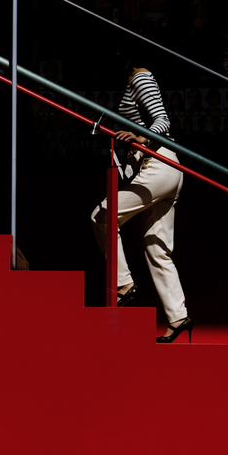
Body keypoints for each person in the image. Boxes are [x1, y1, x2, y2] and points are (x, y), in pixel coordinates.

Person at [90, 66, 192, 342]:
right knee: (156, 247)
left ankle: (124, 283)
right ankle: (178, 316)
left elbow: (162, 120)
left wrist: (141, 138)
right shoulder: (133, 81)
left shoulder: (141, 76)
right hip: (164, 167)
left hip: (158, 163)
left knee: (102, 216)